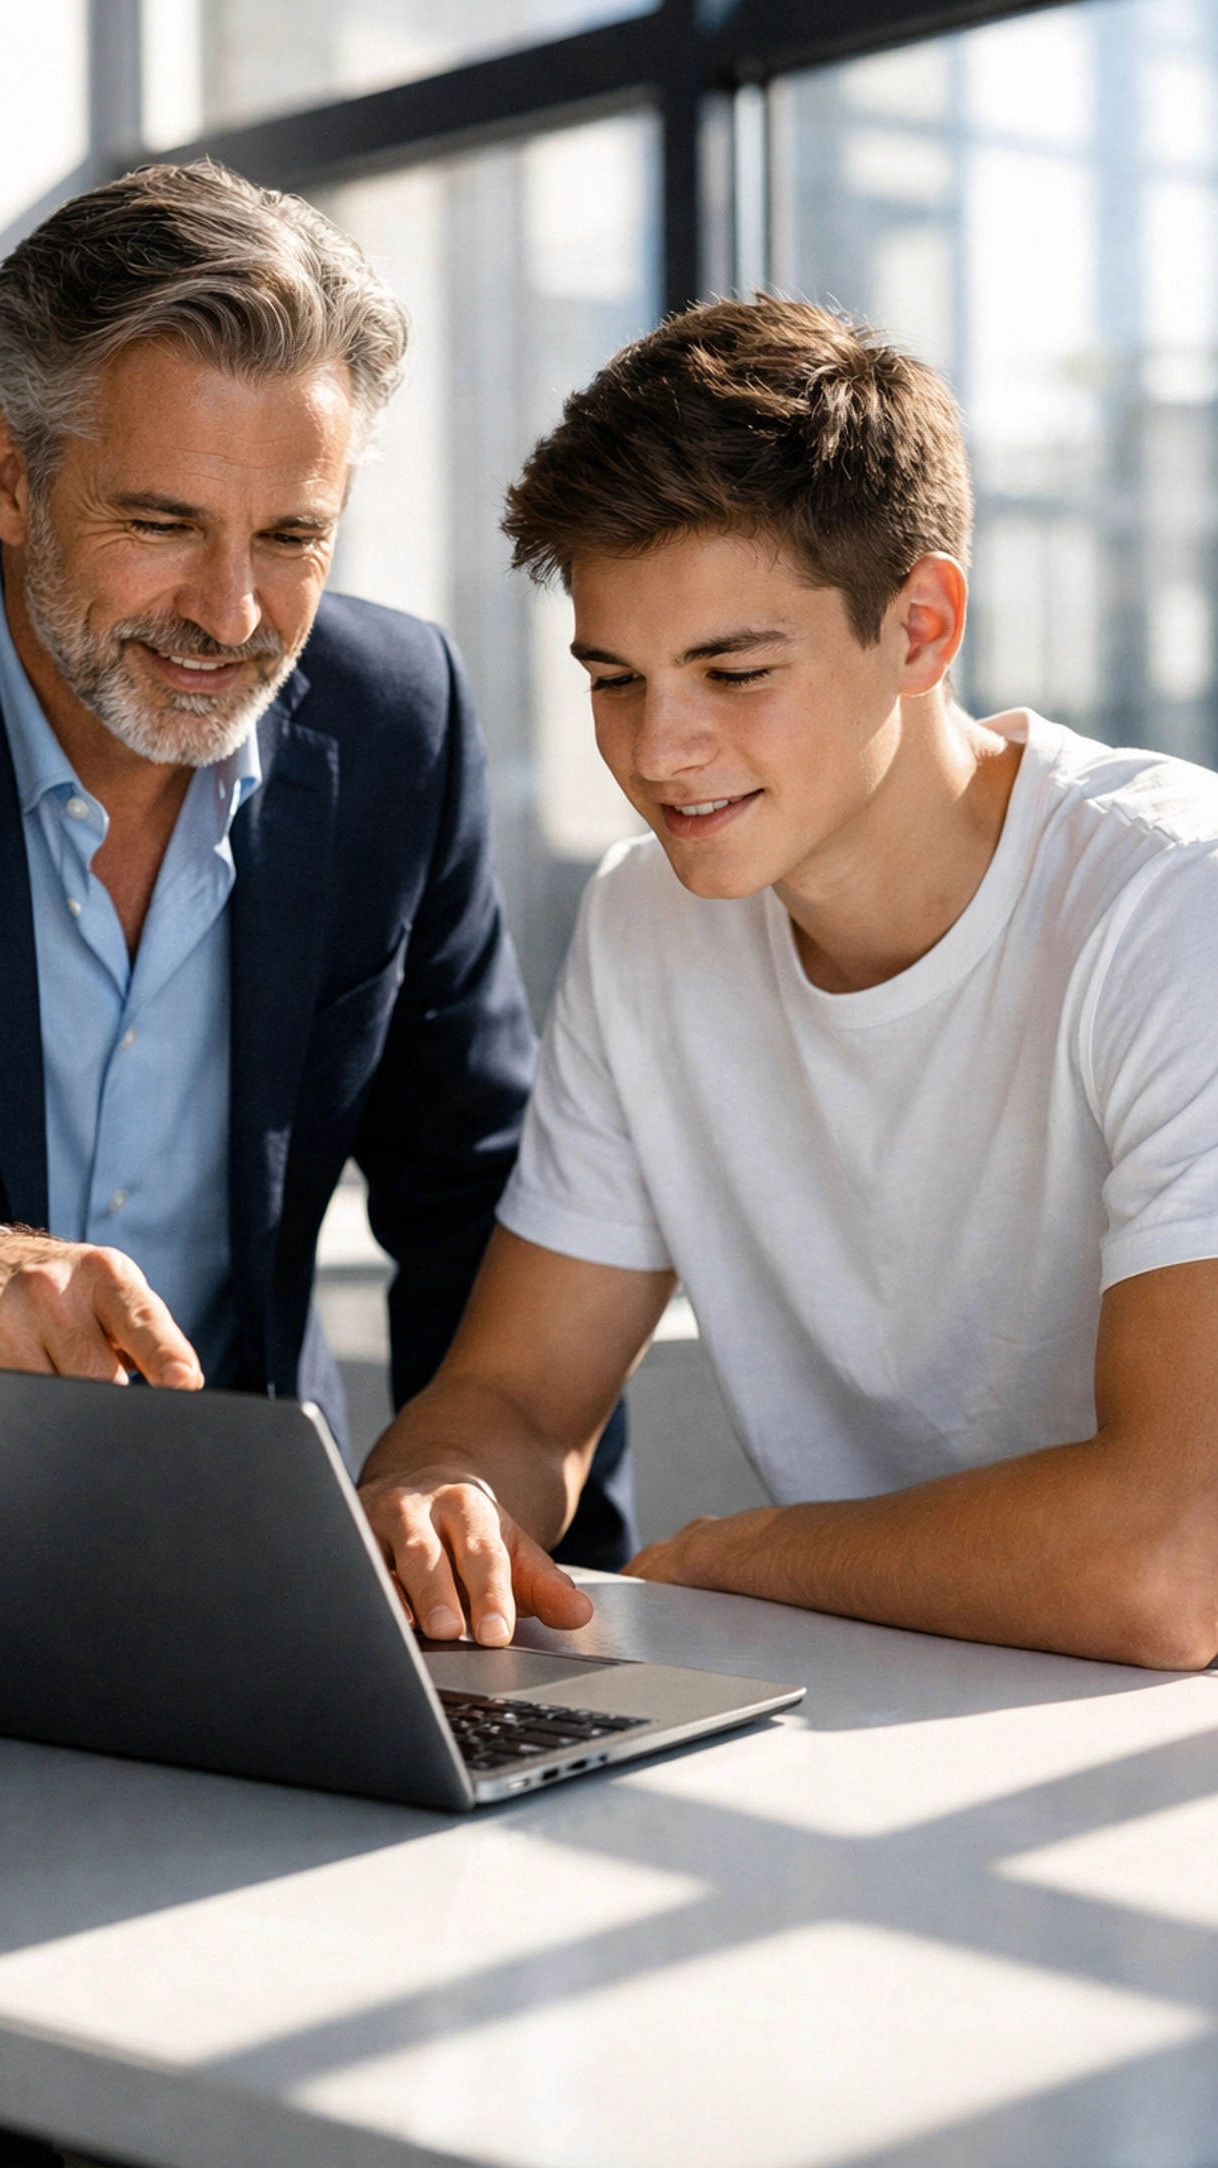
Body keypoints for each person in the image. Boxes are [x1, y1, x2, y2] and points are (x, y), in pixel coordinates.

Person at [0, 159, 633, 1565]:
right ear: (11, 475)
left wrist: (532, 1571)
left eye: (293, 536)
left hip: (239, 1568)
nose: (232, 612)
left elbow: (476, 1187)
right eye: (163, 523)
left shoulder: (394, 717)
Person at [360, 295, 1218, 1673]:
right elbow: (517, 1396)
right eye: (614, 679)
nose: (659, 751)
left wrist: (740, 1559)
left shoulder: (1175, 903)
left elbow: (1178, 1559)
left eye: (734, 671)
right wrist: (435, 1497)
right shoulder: (648, 921)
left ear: (922, 626)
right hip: (856, 1702)